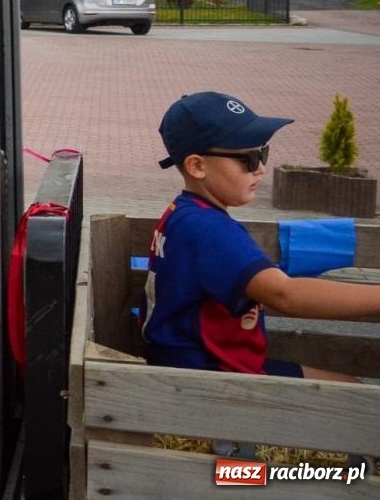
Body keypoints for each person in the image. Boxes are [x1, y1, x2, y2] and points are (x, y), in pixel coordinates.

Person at [143, 91, 380, 382]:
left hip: (187, 366)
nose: (262, 168)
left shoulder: (182, 213)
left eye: (263, 153)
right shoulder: (210, 229)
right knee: (352, 397)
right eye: (249, 158)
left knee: (349, 384)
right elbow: (286, 295)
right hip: (208, 380)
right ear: (197, 166)